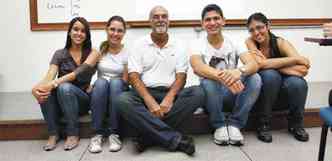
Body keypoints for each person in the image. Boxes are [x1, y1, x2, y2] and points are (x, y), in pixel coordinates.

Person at [114, 6, 205, 155]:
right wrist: (149, 100)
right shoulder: (138, 44)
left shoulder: (180, 44)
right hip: (145, 93)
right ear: (150, 21)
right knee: (123, 99)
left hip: (171, 93)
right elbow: (133, 76)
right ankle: (174, 139)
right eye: (156, 17)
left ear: (168, 21)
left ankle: (147, 137)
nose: (160, 20)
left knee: (199, 93)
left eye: (164, 16)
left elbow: (181, 76)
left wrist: (169, 98)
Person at [190, 4, 262, 146]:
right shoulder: (197, 43)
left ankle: (235, 125)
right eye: (208, 19)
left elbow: (253, 64)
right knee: (208, 81)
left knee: (255, 78)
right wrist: (226, 77)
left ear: (224, 21)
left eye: (216, 18)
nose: (212, 23)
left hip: (232, 93)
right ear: (202, 24)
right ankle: (219, 126)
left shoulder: (234, 41)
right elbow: (197, 67)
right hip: (210, 96)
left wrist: (238, 71)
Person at [31, 17, 99, 151]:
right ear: (69, 32)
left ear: (87, 35)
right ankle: (53, 134)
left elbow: (77, 73)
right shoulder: (60, 54)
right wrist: (36, 89)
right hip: (62, 99)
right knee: (45, 90)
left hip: (82, 100)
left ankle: (73, 133)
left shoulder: (93, 52)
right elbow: (49, 77)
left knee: (64, 87)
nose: (79, 33)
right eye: (75, 29)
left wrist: (54, 83)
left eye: (83, 31)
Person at [245, 12, 310, 143]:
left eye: (260, 27)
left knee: (298, 83)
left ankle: (296, 124)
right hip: (266, 89)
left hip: (284, 87)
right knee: (270, 75)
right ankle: (263, 123)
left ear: (268, 25)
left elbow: (303, 69)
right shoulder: (250, 42)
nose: (256, 33)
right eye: (252, 30)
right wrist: (295, 59)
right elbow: (260, 64)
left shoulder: (281, 43)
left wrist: (270, 64)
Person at [88, 16, 129, 153]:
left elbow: (126, 79)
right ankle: (97, 134)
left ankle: (114, 134)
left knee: (116, 83)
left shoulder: (127, 52)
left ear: (124, 33)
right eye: (112, 29)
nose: (115, 34)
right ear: (106, 29)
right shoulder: (100, 51)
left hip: (118, 90)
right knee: (100, 83)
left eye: (120, 31)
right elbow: (88, 70)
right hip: (101, 90)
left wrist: (113, 85)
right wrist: (90, 85)